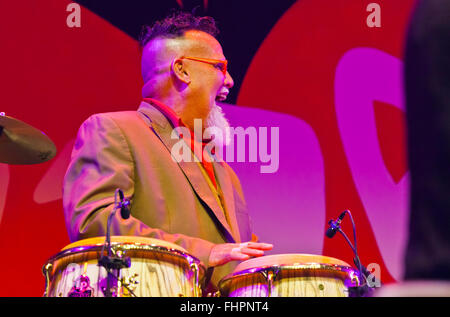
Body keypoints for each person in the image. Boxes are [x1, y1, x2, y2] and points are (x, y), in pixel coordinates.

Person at [62, 11, 272, 292]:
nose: (230, 80)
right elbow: (95, 225)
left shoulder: (223, 169)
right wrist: (204, 252)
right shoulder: (113, 130)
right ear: (182, 70)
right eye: (219, 67)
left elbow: (237, 255)